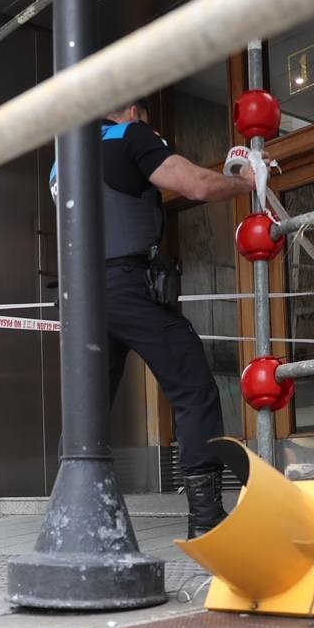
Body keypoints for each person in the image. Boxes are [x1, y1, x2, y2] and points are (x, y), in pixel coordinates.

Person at [50, 97, 258, 537]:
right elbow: (196, 184)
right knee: (193, 386)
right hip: (125, 286)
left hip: (77, 296)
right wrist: (243, 181)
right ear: (129, 107)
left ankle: (69, 523)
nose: (150, 126)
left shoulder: (62, 160)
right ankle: (205, 519)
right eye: (145, 115)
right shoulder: (129, 136)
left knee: (87, 408)